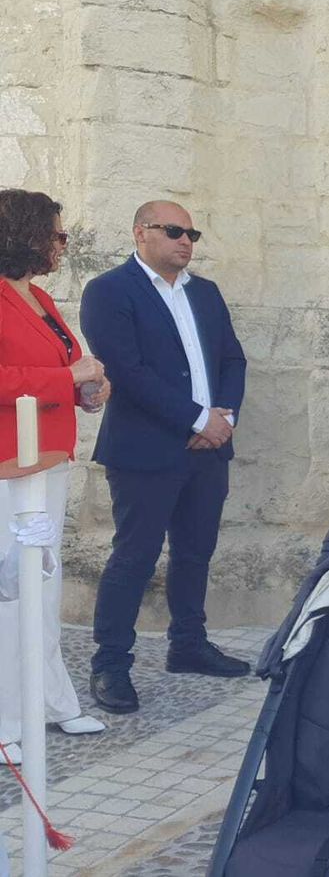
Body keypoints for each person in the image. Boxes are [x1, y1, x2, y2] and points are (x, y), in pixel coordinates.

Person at [79, 201, 249, 715]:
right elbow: (127, 371)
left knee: (196, 551)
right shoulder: (109, 290)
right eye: (174, 231)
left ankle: (188, 645)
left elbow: (232, 360)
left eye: (192, 232)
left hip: (209, 449)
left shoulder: (206, 292)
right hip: (146, 451)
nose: (186, 241)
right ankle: (110, 663)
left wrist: (223, 418)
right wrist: (199, 420)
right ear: (141, 233)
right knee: (134, 556)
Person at [0, 189, 110, 761]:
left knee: (41, 583)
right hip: (8, 466)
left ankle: (51, 703)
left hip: (47, 457)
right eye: (57, 233)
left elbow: (63, 364)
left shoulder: (38, 296)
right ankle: (5, 720)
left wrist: (88, 386)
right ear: (24, 234)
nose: (63, 244)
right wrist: (67, 379)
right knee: (8, 590)